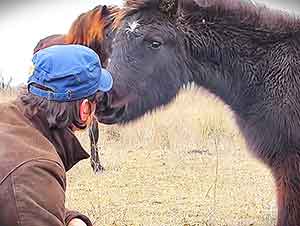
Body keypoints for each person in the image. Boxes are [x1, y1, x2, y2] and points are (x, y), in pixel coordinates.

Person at [0, 44, 113, 226]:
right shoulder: (33, 169)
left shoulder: (8, 118)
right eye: (96, 101)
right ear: (85, 109)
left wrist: (70, 219)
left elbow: (18, 204)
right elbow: (22, 195)